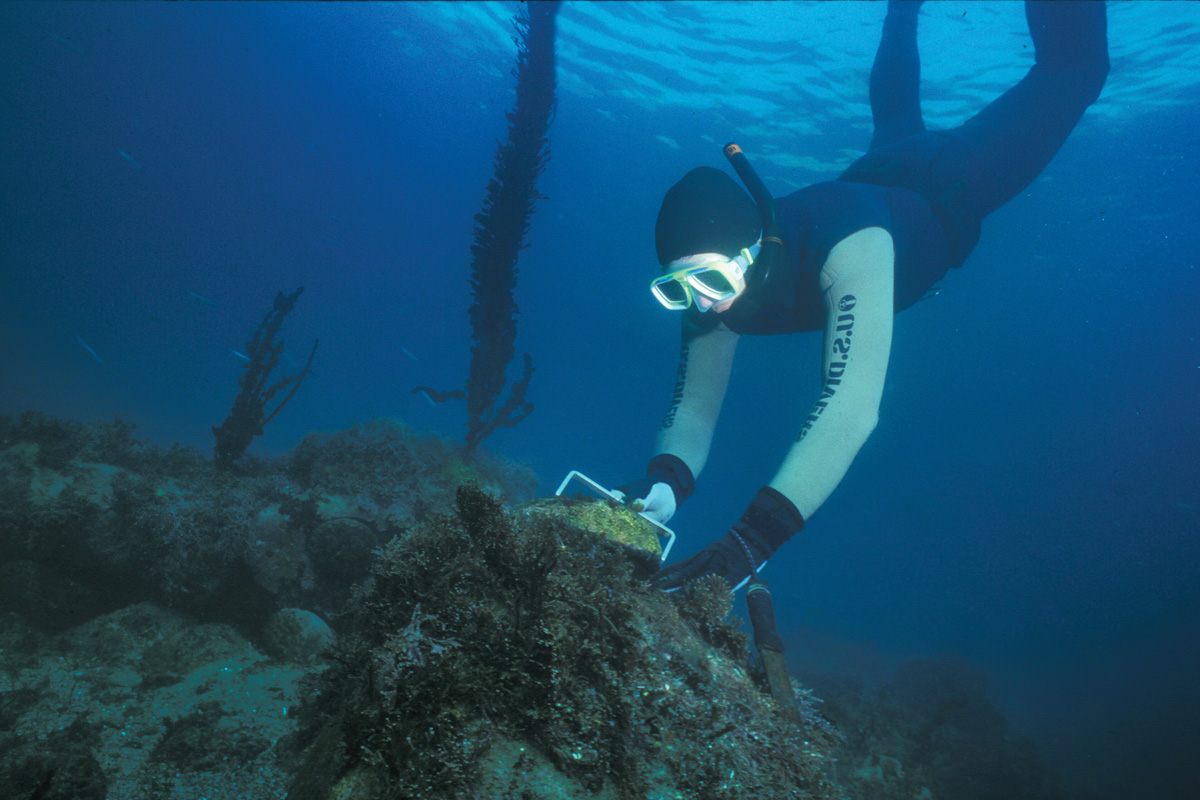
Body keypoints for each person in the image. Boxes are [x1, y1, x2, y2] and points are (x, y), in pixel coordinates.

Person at [617, 0, 1109, 593]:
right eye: (677, 289)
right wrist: (662, 488)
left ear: (756, 251)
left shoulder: (853, 247)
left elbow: (850, 405)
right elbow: (693, 407)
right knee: (896, 115)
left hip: (947, 182)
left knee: (1075, 72)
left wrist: (749, 543)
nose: (702, 304)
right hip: (878, 169)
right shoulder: (708, 284)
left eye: (714, 282)